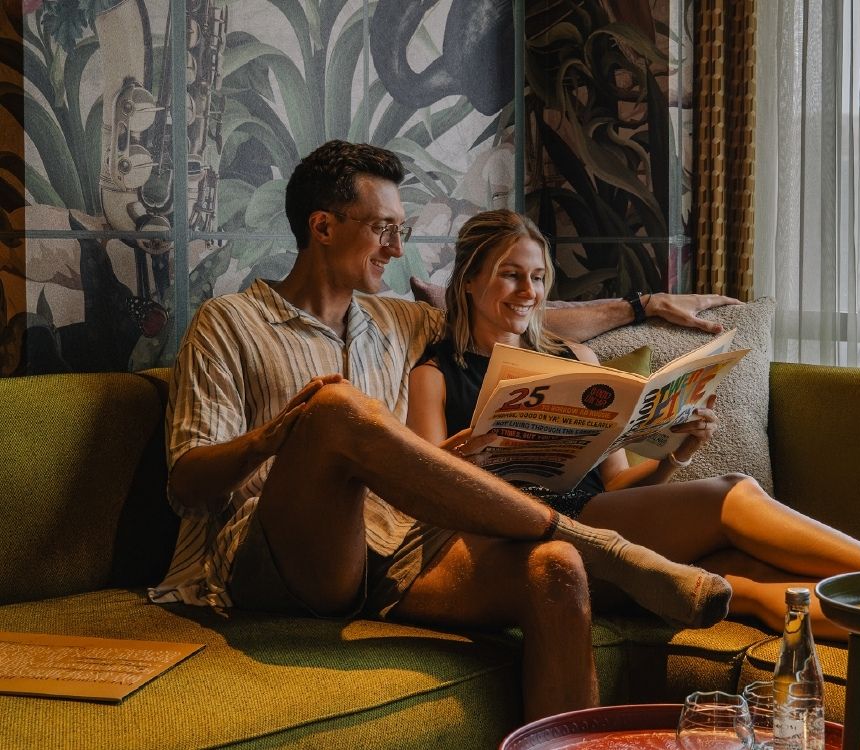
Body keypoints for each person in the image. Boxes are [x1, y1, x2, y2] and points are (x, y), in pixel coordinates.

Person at [149, 140, 741, 722]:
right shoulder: (228, 322)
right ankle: (612, 551)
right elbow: (187, 484)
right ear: (323, 226)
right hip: (277, 558)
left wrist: (642, 305)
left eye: (400, 228)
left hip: (400, 549)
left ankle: (582, 564)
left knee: (556, 569)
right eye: (383, 228)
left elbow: (506, 309)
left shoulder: (395, 319)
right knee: (333, 408)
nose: (397, 247)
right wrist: (275, 436)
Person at [406, 209, 860, 648]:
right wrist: (464, 456)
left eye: (538, 277)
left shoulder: (575, 360)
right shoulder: (434, 376)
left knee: (751, 583)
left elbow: (617, 486)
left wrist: (677, 454)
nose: (528, 291)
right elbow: (426, 499)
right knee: (732, 492)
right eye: (510, 275)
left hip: (598, 518)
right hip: (532, 541)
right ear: (470, 279)